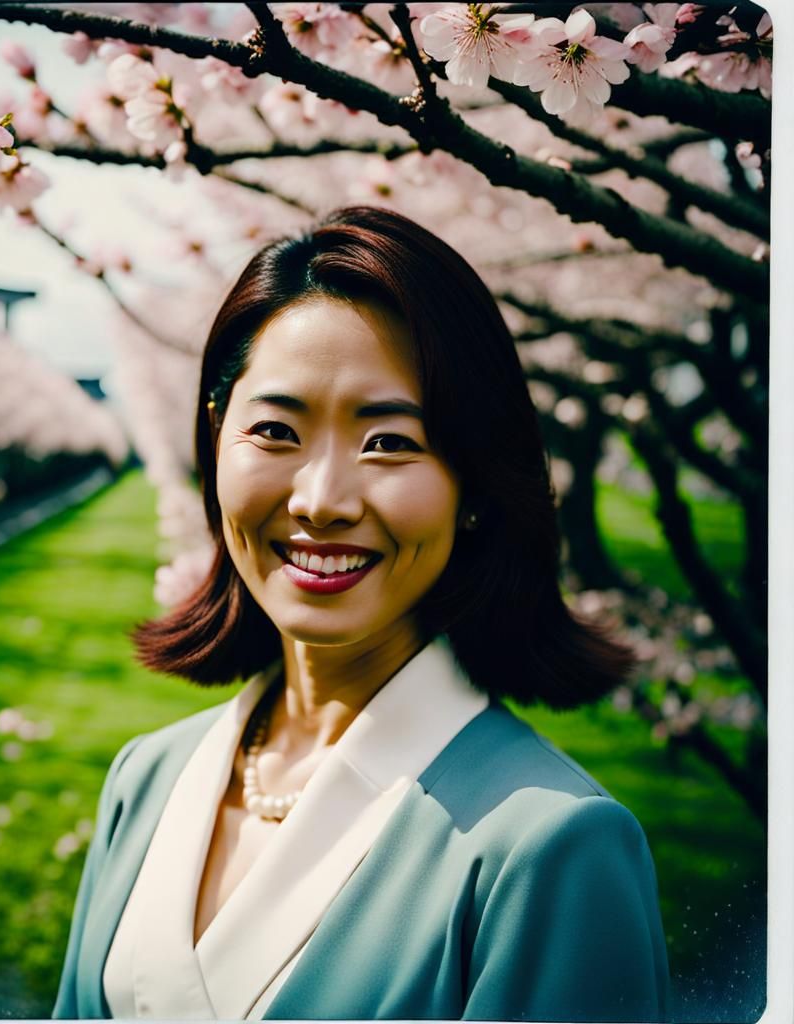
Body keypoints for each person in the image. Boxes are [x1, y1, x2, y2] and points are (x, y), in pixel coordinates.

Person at [52, 206, 671, 1022]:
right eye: (275, 430)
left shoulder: (550, 849)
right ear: (214, 440)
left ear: (476, 484)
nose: (321, 501)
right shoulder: (149, 778)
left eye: (389, 443)